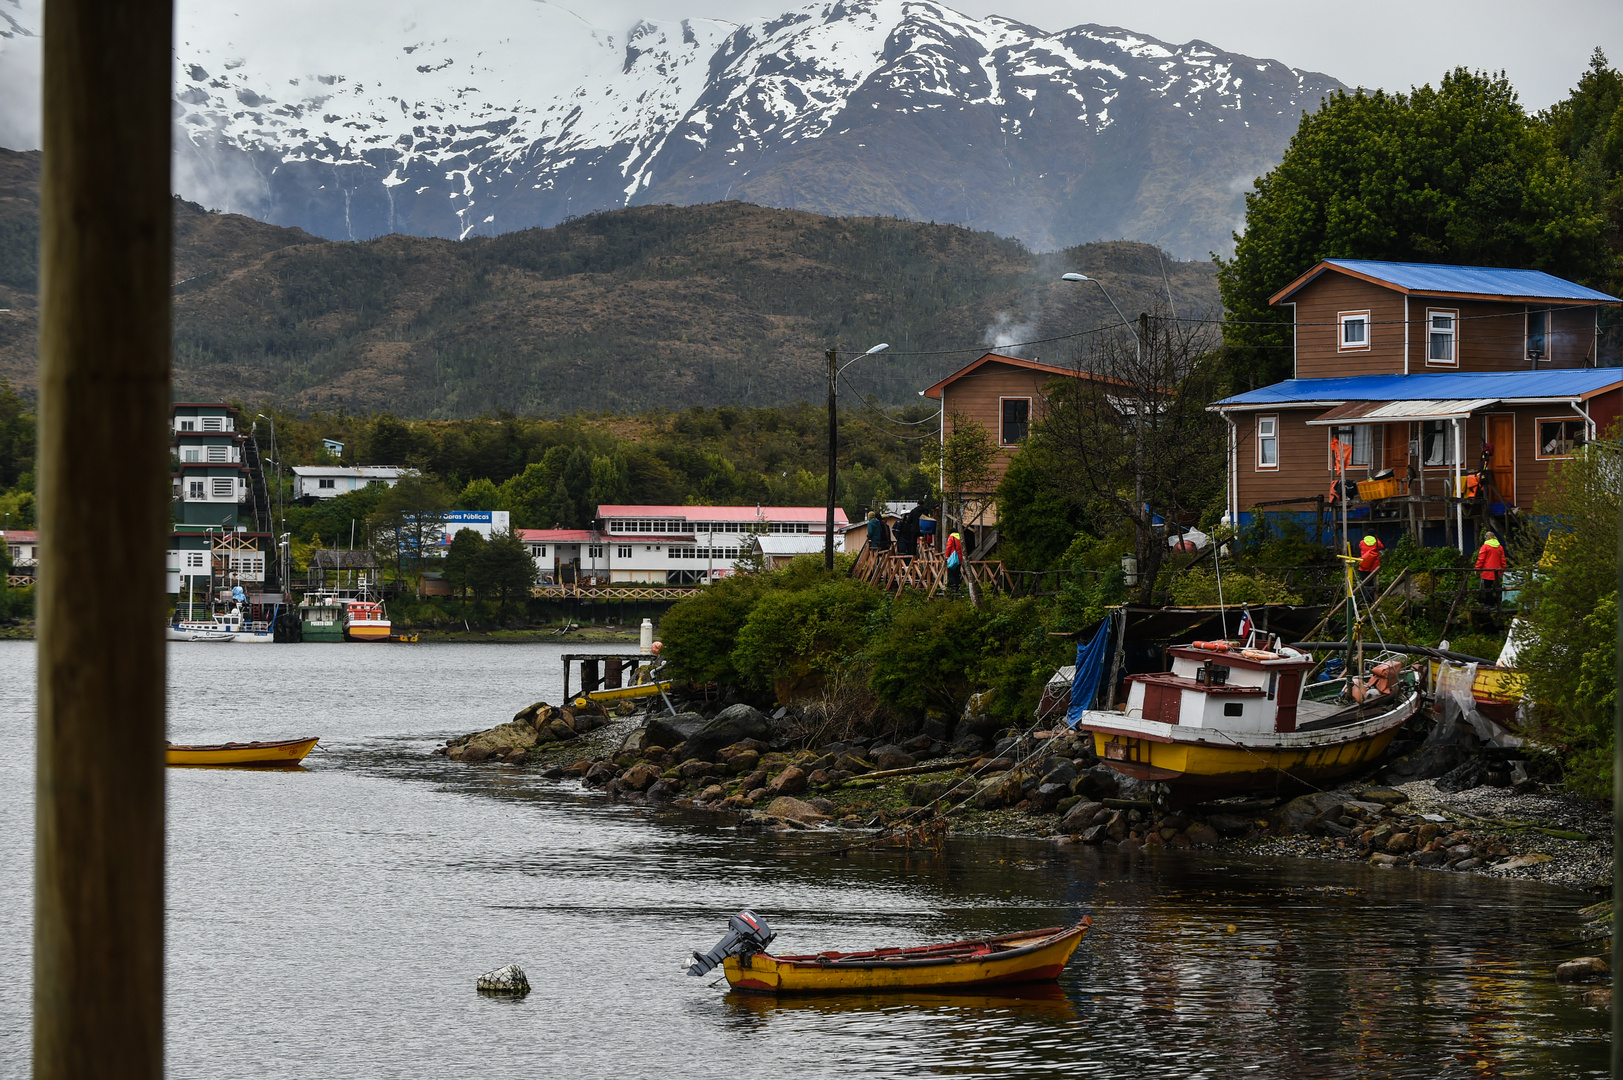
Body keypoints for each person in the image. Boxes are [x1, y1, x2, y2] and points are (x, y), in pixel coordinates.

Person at [1475, 535, 1507, 607]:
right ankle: (1495, 603)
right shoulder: (1500, 547)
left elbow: (1481, 559)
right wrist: (1503, 570)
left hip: (1487, 570)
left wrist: (1477, 569)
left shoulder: (1485, 547)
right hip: (1497, 571)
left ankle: (1489, 603)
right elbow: (1503, 559)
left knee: (1487, 587)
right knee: (1496, 588)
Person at [1358, 534, 1384, 606]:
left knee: (1364, 584)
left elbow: (1360, 546)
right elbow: (1382, 546)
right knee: (1373, 583)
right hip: (1373, 567)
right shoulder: (1377, 543)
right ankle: (1372, 600)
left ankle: (1365, 600)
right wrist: (1377, 539)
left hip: (1364, 565)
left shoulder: (1362, 542)